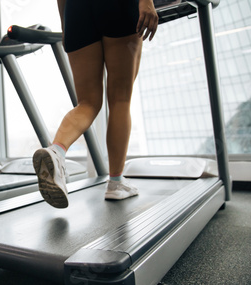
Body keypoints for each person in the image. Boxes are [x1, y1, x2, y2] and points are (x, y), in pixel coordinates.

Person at [33, 0, 158, 208]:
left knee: (87, 103)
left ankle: (56, 151)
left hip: (75, 11)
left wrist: (67, 26)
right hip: (115, 6)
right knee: (120, 99)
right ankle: (116, 183)